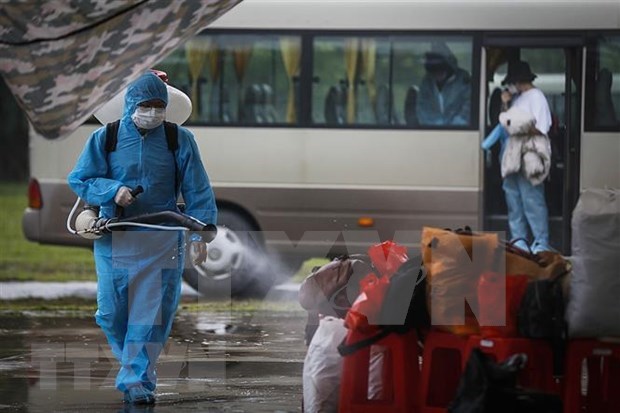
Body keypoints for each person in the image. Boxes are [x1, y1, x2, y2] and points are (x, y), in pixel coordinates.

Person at [68, 72, 217, 404]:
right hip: (115, 236)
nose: (152, 111)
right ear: (131, 104)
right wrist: (112, 190)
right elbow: (81, 178)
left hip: (161, 239)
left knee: (148, 318)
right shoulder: (104, 138)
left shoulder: (179, 140)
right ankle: (134, 369)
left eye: (158, 105)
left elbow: (198, 189)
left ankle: (136, 381)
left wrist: (200, 234)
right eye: (146, 105)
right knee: (110, 313)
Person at [500, 60, 552, 253]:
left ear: (518, 80)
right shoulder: (517, 99)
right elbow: (507, 124)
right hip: (513, 153)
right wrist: (505, 105)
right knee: (514, 199)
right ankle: (519, 239)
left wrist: (519, 127)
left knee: (532, 199)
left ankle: (540, 242)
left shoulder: (536, 97)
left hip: (528, 152)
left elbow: (541, 128)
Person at [416, 42, 471, 126]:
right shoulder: (426, 83)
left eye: (441, 68)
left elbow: (469, 106)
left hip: (460, 131)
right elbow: (422, 108)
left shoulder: (463, 80)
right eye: (433, 69)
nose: (438, 73)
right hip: (430, 132)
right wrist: (436, 126)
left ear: (448, 67)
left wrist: (454, 126)